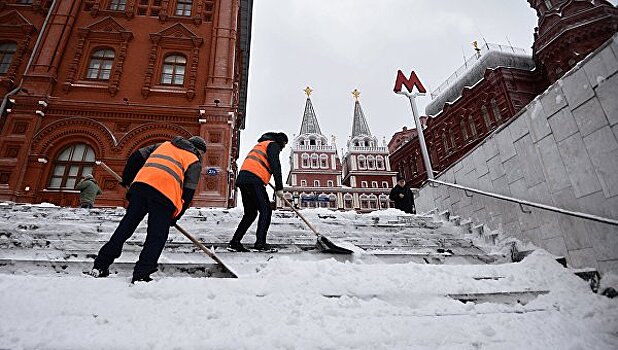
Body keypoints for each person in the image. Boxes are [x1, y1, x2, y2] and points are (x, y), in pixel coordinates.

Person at [89, 135, 207, 283]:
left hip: (141, 188)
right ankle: (141, 274)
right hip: (165, 196)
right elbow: (188, 192)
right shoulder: (194, 160)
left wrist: (128, 179)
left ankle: (100, 265)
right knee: (156, 236)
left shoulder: (163, 145)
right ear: (199, 150)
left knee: (125, 228)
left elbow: (136, 157)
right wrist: (176, 216)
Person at [228, 132, 287, 252]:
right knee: (266, 210)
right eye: (284, 145)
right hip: (254, 180)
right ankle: (260, 243)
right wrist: (279, 187)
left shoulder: (261, 145)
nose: (283, 148)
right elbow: (276, 165)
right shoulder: (273, 145)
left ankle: (235, 242)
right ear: (281, 142)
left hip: (244, 179)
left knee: (250, 213)